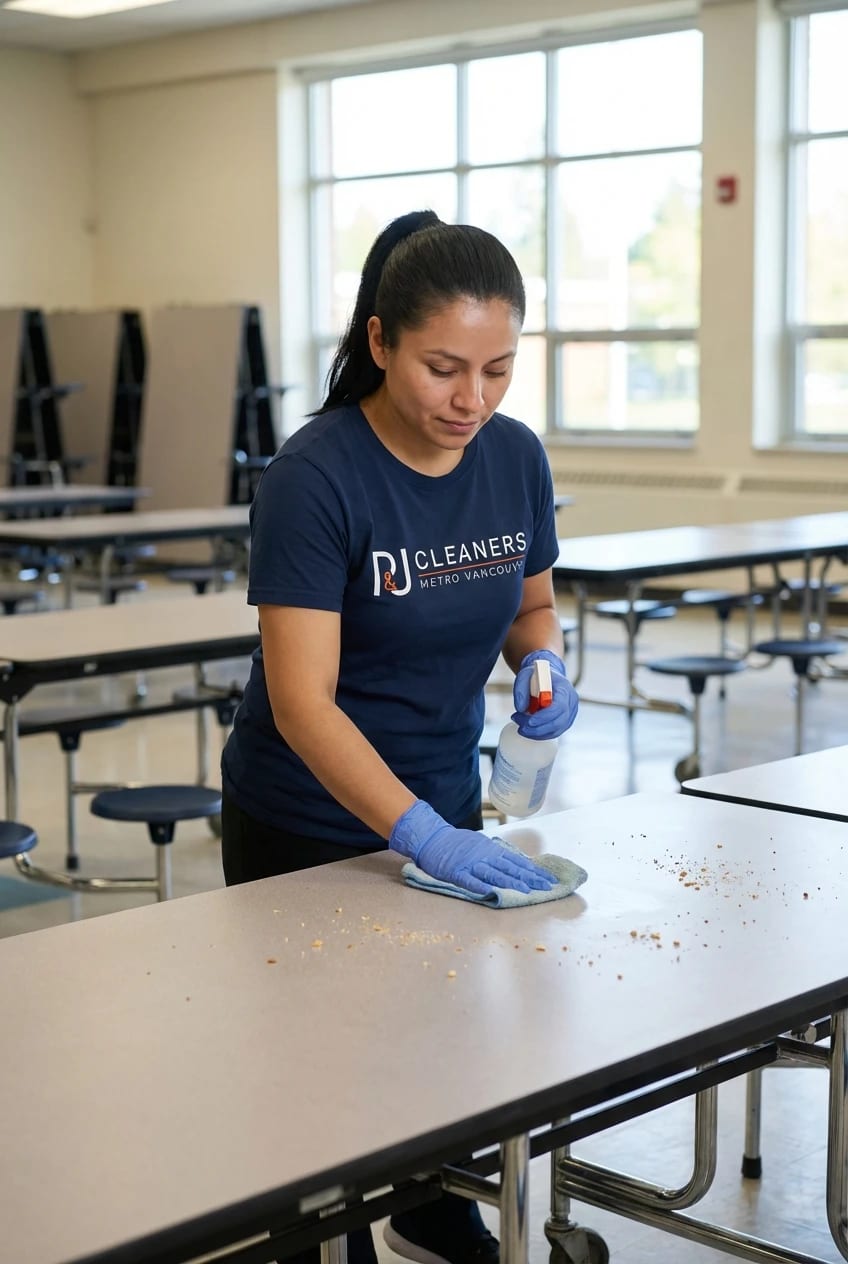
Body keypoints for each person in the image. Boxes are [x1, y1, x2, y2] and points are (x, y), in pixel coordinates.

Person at [221, 210, 579, 1264]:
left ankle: (428, 1204)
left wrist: (544, 666)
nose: (471, 400)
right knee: (316, 1070)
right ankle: (317, 1236)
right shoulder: (316, 478)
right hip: (302, 823)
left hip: (440, 802)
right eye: (441, 368)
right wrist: (417, 834)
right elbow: (301, 703)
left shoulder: (510, 458)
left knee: (436, 1047)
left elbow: (529, 608)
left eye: (498, 370)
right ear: (378, 343)